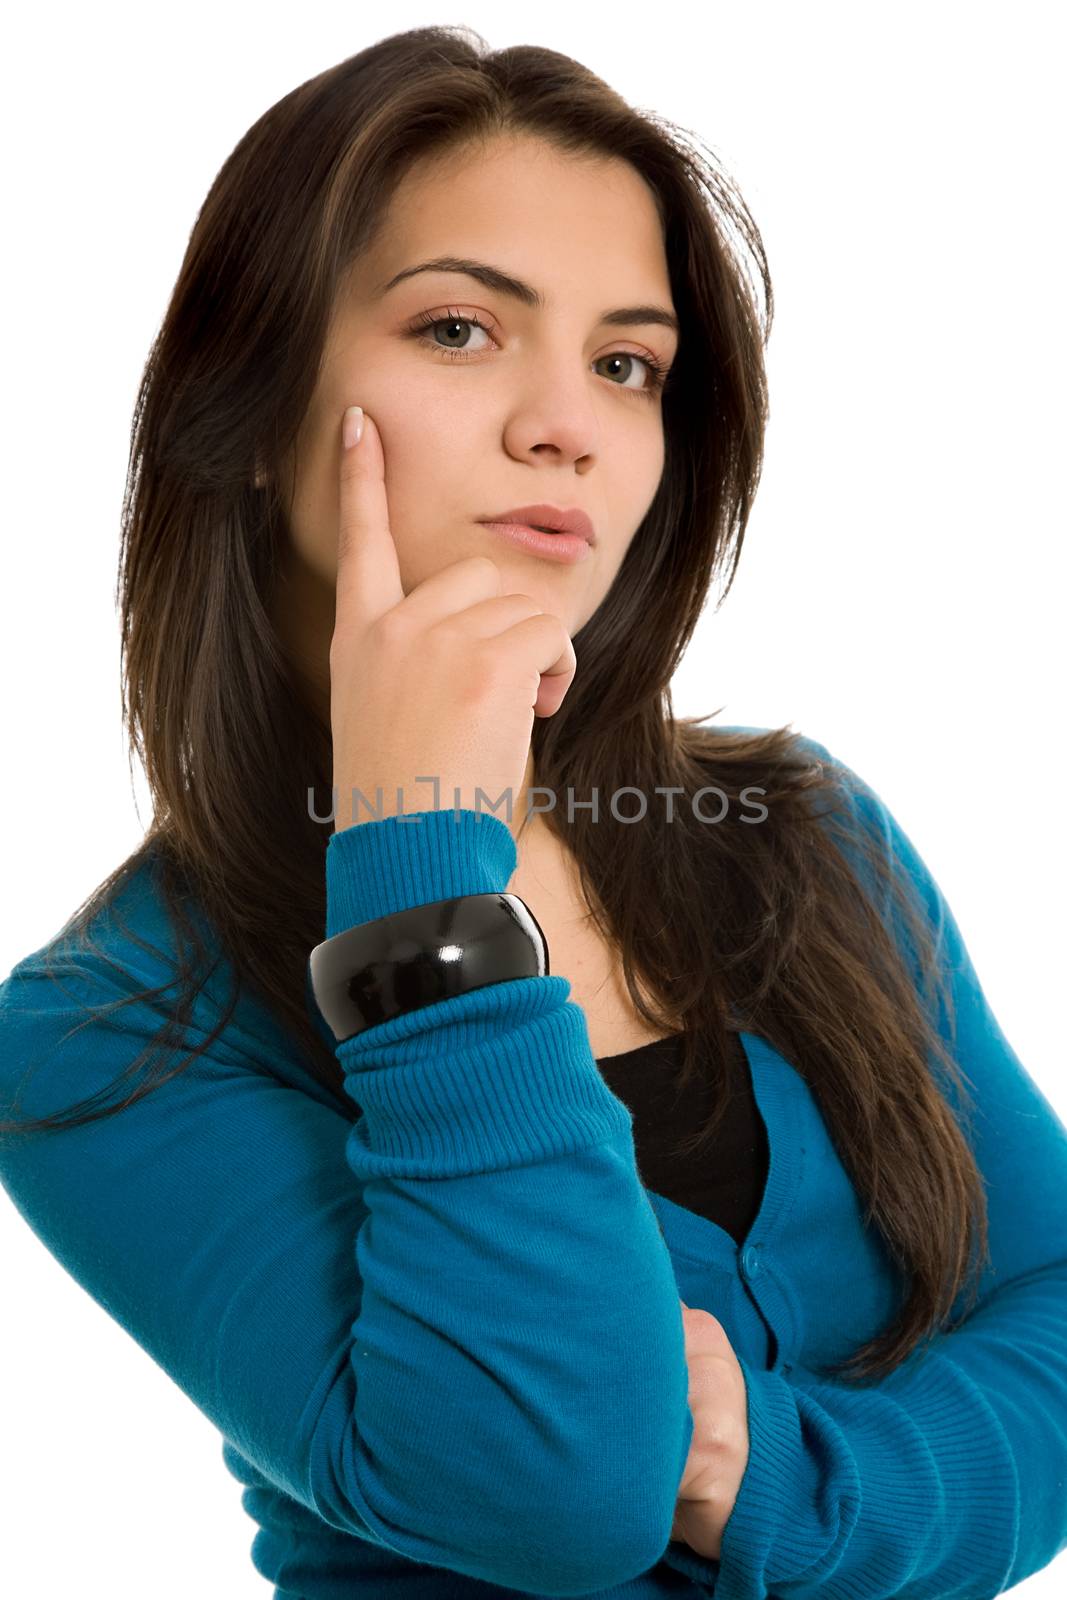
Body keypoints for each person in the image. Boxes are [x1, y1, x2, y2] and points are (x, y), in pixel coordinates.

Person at [2, 23, 1066, 1600]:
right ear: (241, 413)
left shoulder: (800, 833)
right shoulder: (101, 1033)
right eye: (458, 329)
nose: (568, 421)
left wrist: (771, 1476)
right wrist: (420, 857)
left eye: (626, 363)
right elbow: (555, 1496)